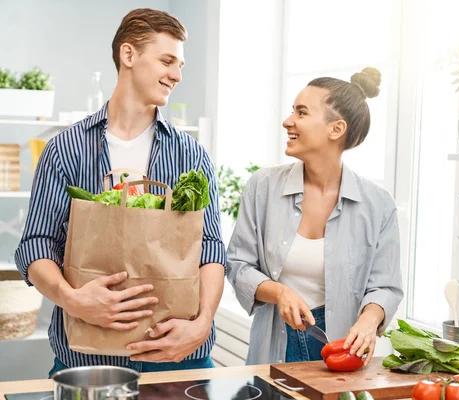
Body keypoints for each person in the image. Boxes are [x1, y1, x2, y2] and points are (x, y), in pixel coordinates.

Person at [14, 8, 226, 376]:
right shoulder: (65, 149)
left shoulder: (191, 155)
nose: (176, 75)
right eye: (166, 60)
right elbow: (35, 245)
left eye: (180, 65)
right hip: (88, 359)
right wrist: (73, 301)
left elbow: (209, 248)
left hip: (178, 359)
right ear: (128, 55)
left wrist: (203, 322)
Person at [226, 67, 403, 365]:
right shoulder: (263, 187)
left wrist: (369, 320)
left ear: (336, 129)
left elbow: (385, 285)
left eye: (301, 112)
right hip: (273, 347)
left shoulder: (378, 204)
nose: (288, 121)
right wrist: (280, 293)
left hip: (341, 354)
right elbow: (238, 264)